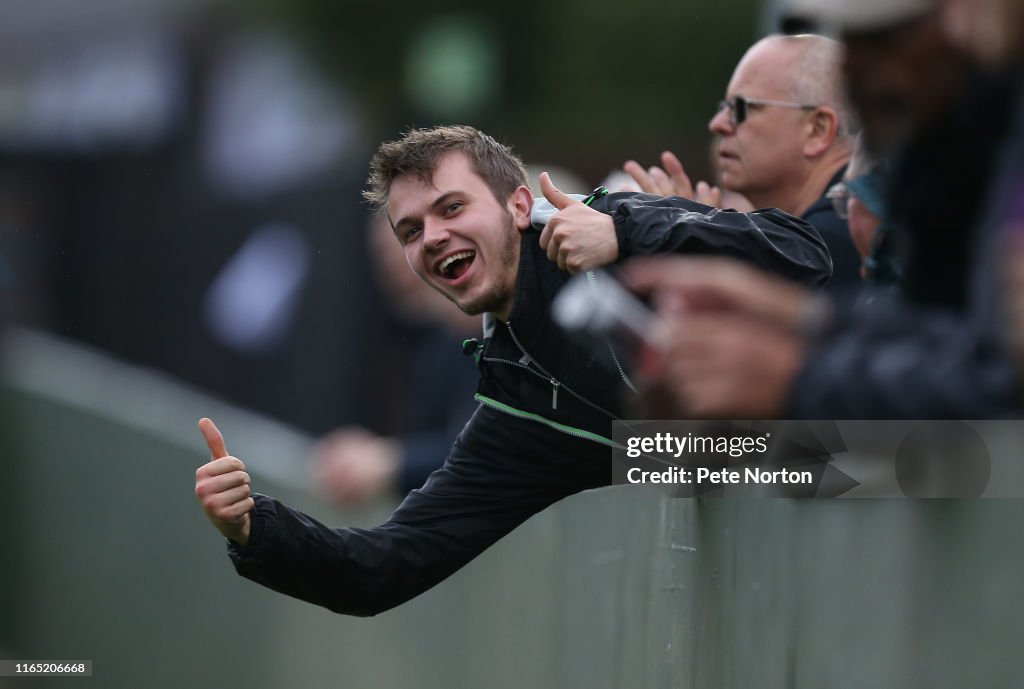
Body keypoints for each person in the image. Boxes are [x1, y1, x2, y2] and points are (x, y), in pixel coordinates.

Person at [194, 125, 831, 616]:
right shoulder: (515, 407)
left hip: (897, 451)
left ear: (520, 204)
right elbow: (381, 568)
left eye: (451, 208)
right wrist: (254, 528)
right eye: (410, 230)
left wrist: (627, 229)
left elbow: (808, 255)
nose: (431, 238)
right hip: (825, 515)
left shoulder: (608, 225)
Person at [625, 0, 1021, 420]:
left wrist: (797, 380)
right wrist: (812, 319)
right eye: (848, 39)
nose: (851, 67)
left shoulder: (971, 141)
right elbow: (951, 336)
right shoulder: (953, 143)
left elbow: (998, 382)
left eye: (884, 39)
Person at [623, 34, 863, 291]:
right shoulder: (831, 231)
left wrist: (691, 249)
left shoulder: (830, 246)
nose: (716, 124)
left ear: (817, 130)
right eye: (723, 107)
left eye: (740, 108)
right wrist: (704, 237)